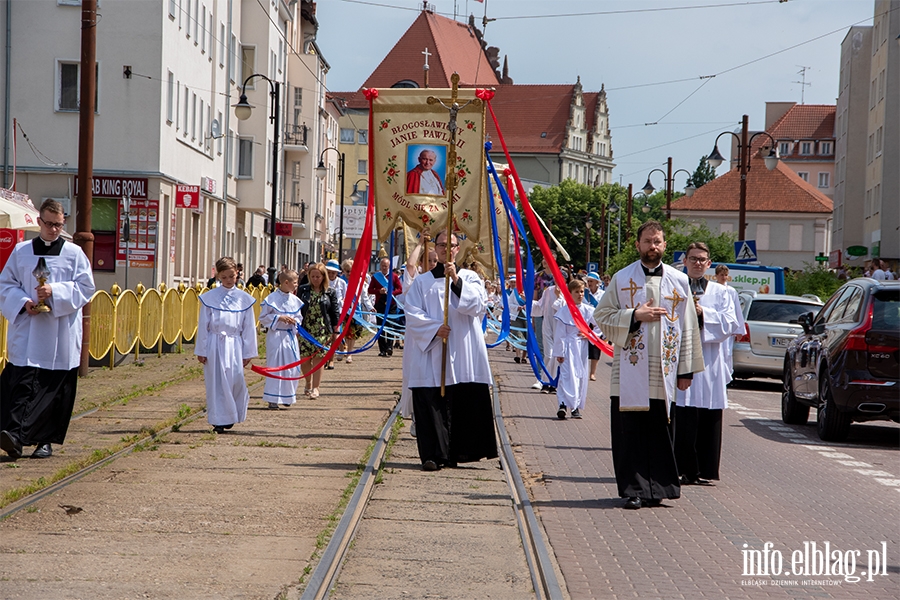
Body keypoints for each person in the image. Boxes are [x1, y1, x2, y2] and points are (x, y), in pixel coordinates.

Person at [594, 220, 703, 510]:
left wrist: (685, 369)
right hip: (629, 371)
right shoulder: (621, 278)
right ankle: (633, 489)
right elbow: (601, 315)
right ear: (638, 244)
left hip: (663, 372)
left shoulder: (679, 282)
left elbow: (689, 326)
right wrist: (633, 315)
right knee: (630, 432)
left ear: (665, 245)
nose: (652, 246)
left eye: (657, 241)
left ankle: (658, 489)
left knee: (660, 430)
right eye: (647, 241)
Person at [0, 199, 95, 459]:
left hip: (59, 332)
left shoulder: (74, 254)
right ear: (39, 221)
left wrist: (55, 292)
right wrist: (23, 302)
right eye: (49, 224)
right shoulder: (21, 251)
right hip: (28, 330)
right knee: (20, 384)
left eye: (58, 225)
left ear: (63, 223)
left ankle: (45, 440)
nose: (53, 229)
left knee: (54, 388)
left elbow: (86, 288)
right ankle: (14, 437)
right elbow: (5, 284)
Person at [404, 230, 497, 471]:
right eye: (442, 244)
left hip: (463, 352)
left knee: (461, 403)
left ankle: (459, 452)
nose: (446, 248)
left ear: (458, 249)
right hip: (433, 351)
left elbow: (477, 306)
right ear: (435, 248)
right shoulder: (422, 282)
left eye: (451, 245)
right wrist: (435, 328)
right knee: (431, 403)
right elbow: (412, 313)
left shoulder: (471, 278)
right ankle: (433, 455)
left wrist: (456, 280)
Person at [674, 243, 744, 486]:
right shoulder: (674, 286)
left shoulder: (721, 292)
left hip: (709, 359)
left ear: (709, 263)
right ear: (685, 261)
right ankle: (682, 467)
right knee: (682, 415)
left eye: (702, 259)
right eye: (693, 259)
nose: (697, 263)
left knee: (707, 414)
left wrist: (703, 312)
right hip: (681, 359)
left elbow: (730, 324)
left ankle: (704, 468)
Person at [195, 257, 258, 434]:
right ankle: (219, 420)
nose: (229, 280)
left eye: (232, 276)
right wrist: (202, 349)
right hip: (215, 343)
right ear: (218, 277)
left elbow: (248, 328)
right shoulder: (210, 298)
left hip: (235, 343)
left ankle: (232, 414)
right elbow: (204, 325)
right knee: (217, 382)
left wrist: (248, 352)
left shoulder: (244, 299)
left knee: (235, 379)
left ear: (237, 274)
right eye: (224, 277)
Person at [398, 233, 438, 431]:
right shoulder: (416, 281)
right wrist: (421, 243)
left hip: (437, 336)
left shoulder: (441, 280)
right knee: (415, 374)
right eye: (428, 260)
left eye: (434, 260)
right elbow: (410, 266)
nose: (431, 263)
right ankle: (416, 415)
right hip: (416, 338)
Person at [552, 279, 597, 420]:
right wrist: (559, 352)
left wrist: (589, 334)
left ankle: (576, 407)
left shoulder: (588, 310)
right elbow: (559, 333)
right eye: (576, 292)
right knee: (566, 376)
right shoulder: (564, 311)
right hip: (567, 347)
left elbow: (599, 326)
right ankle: (563, 405)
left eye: (582, 291)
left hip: (581, 347)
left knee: (579, 376)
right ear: (570, 293)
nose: (580, 294)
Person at [259, 269, 303, 409]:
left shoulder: (295, 300)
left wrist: (294, 321)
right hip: (276, 335)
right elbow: (263, 318)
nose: (296, 285)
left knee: (293, 366)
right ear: (286, 282)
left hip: (289, 337)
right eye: (295, 282)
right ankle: (273, 397)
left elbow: (299, 317)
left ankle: (288, 395)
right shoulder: (271, 299)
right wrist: (278, 318)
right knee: (276, 365)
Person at [297, 262, 340, 399]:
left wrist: (336, 330)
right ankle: (308, 382)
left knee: (318, 358)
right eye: (313, 276)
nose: (315, 279)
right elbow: (297, 307)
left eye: (318, 276)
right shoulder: (303, 290)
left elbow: (334, 312)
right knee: (304, 359)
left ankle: (316, 387)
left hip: (322, 329)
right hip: (305, 328)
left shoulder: (330, 292)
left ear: (323, 277)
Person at [368, 257, 402, 357]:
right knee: (380, 327)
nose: (384, 268)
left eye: (386, 266)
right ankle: (382, 349)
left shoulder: (394, 276)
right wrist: (379, 291)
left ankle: (389, 347)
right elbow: (370, 290)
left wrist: (392, 293)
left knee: (390, 326)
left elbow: (400, 289)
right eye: (382, 266)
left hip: (391, 303)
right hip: (379, 303)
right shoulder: (376, 277)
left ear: (389, 267)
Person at [714, 264, 745, 373]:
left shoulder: (731, 291)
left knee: (726, 353)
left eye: (726, 275)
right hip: (716, 326)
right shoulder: (712, 289)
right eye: (721, 275)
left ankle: (726, 375)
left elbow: (737, 310)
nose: (724, 277)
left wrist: (739, 330)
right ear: (716, 276)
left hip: (728, 329)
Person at [324, 260, 347, 370]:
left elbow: (345, 296)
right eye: (329, 272)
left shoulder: (341, 283)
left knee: (335, 335)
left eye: (333, 272)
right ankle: (323, 357)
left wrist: (344, 304)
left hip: (337, 311)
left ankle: (331, 359)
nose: (331, 275)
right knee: (324, 335)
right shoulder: (323, 281)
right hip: (325, 311)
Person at [585, 272, 605, 381]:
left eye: (591, 281)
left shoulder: (603, 294)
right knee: (584, 349)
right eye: (588, 281)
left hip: (598, 326)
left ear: (597, 283)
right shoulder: (584, 294)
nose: (589, 283)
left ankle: (592, 373)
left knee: (595, 351)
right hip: (586, 325)